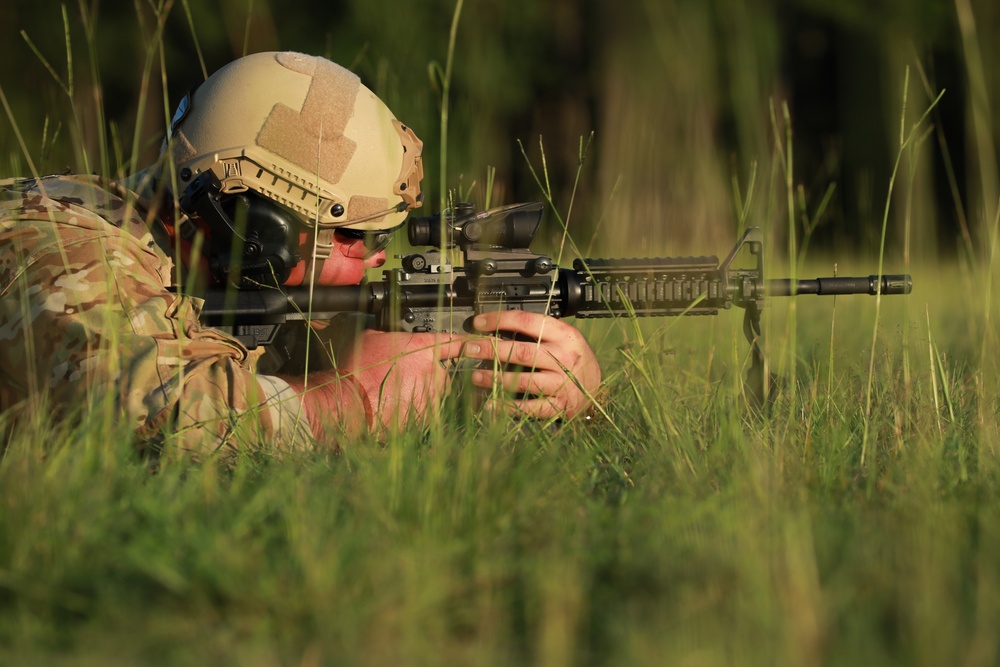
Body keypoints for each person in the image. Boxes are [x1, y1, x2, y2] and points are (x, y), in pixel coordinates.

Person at [0, 51, 601, 457]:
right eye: (356, 236)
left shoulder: (226, 276)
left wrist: (556, 387)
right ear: (258, 230)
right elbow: (159, 416)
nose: (376, 259)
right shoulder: (55, 247)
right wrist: (361, 399)